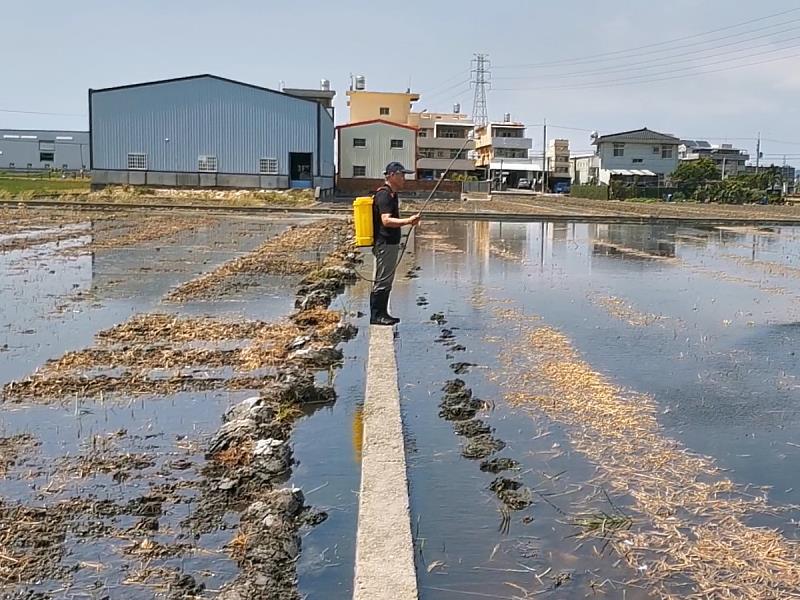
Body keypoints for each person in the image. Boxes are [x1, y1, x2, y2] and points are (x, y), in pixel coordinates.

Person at [370, 162, 421, 326]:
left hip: (390, 243)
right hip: (385, 243)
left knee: (387, 278)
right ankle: (377, 315)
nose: (404, 178)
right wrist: (408, 221)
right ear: (392, 175)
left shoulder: (392, 194)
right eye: (401, 175)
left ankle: (383, 313)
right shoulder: (384, 195)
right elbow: (386, 220)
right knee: (383, 279)